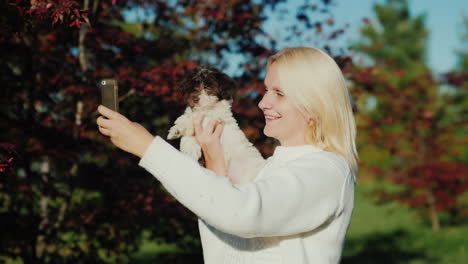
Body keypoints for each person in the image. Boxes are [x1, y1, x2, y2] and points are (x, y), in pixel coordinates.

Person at [97, 47, 358, 264]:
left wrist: (147, 147)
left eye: (278, 93)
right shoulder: (270, 169)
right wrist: (215, 159)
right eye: (266, 90)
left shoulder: (327, 172)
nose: (263, 102)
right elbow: (225, 238)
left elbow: (242, 213)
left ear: (314, 105)